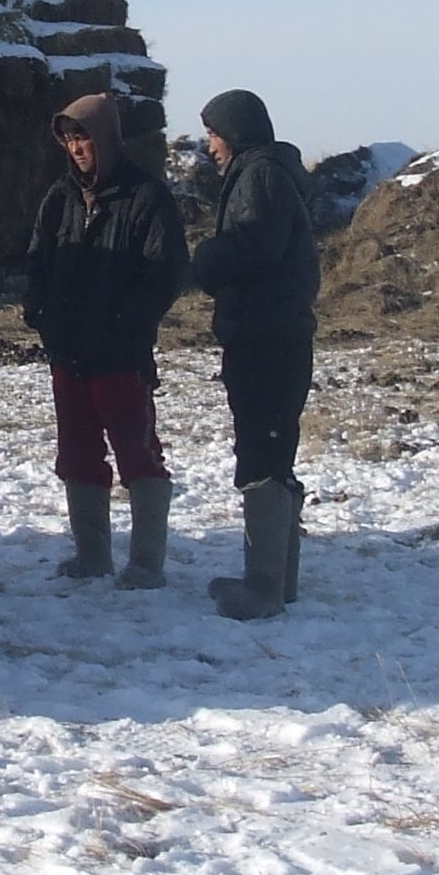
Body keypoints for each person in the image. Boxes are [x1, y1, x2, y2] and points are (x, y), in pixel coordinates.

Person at [21, 90, 190, 586]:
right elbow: (38, 258)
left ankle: (146, 563)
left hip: (119, 353)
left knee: (137, 452)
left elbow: (165, 271)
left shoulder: (146, 197)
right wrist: (40, 311)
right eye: (69, 140)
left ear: (107, 139)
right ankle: (92, 556)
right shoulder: (61, 197)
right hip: (68, 351)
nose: (76, 149)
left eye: (84, 138)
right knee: (76, 452)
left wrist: (127, 323)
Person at [189, 88, 318, 621]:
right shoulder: (272, 171)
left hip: (265, 337)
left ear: (236, 133)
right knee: (274, 447)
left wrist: (204, 259)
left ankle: (263, 590)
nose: (210, 146)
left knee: (262, 451)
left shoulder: (258, 176)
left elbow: (253, 247)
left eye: (215, 134)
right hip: (279, 334)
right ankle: (276, 581)